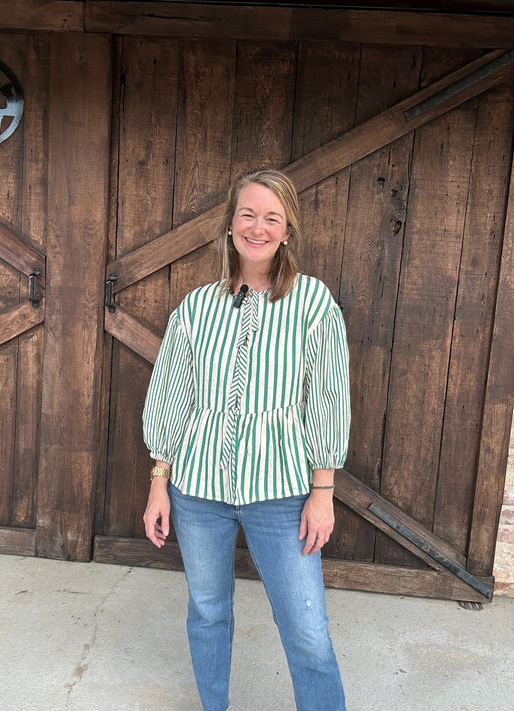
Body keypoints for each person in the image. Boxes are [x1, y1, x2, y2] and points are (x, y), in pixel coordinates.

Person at [143, 168, 351, 711]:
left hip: (282, 494)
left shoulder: (313, 305)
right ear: (230, 225)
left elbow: (327, 399)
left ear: (287, 232)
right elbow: (172, 396)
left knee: (306, 628)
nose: (257, 227)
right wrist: (158, 484)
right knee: (208, 610)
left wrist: (323, 491)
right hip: (198, 492)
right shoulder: (196, 308)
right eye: (247, 214)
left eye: (272, 218)